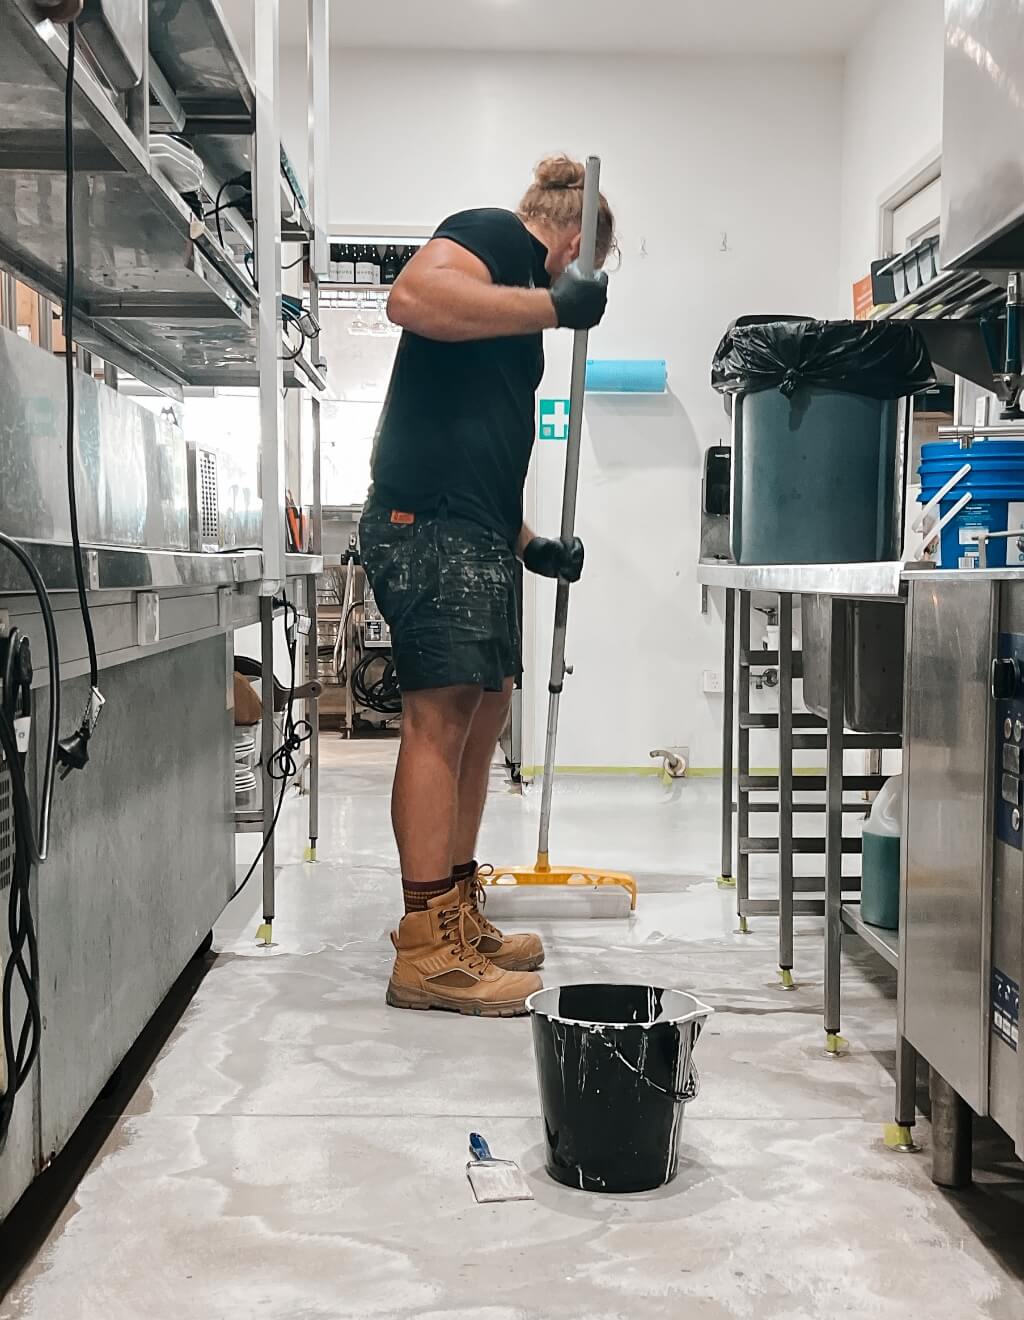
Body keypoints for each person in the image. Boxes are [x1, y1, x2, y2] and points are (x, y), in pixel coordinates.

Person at [359, 155, 614, 1017]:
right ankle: (425, 948)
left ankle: (457, 910)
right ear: (576, 246)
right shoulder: (495, 235)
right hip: (424, 521)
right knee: (440, 719)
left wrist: (531, 544)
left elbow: (482, 445)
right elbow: (411, 297)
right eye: (594, 274)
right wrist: (553, 303)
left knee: (486, 710)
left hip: (473, 528)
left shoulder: (513, 304)